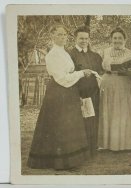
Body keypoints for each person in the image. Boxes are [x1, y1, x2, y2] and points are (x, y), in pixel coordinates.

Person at [27, 25, 92, 170]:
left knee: (69, 124)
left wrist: (79, 73)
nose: (63, 37)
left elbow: (69, 73)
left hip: (69, 91)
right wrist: (81, 73)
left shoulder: (64, 52)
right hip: (59, 92)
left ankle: (71, 161)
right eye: (59, 34)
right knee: (61, 125)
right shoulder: (52, 55)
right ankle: (62, 163)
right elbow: (62, 78)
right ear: (52, 36)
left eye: (64, 35)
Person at [98, 27, 131, 151]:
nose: (117, 40)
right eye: (115, 38)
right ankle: (107, 144)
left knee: (123, 112)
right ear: (111, 39)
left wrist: (129, 71)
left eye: (120, 38)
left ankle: (126, 143)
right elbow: (101, 68)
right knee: (109, 111)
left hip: (125, 85)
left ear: (125, 39)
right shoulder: (104, 52)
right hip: (108, 84)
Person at [69, 26, 103, 157]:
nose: (84, 41)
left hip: (94, 94)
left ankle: (92, 150)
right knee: (80, 122)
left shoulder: (95, 56)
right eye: (81, 38)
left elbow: (101, 72)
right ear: (75, 38)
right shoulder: (70, 55)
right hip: (78, 94)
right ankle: (81, 151)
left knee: (93, 121)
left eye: (86, 38)